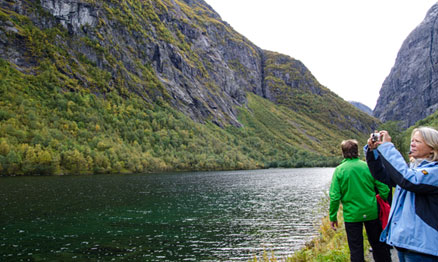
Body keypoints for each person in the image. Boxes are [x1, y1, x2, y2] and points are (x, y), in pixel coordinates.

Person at [365, 127, 438, 261]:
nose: (412, 144)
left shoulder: (434, 172)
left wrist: (387, 147)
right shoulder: (413, 170)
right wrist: (373, 152)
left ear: (432, 147)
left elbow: (407, 179)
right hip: (407, 245)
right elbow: (382, 175)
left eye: (418, 141)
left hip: (424, 249)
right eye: (412, 140)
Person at [330, 139, 392, 262]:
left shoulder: (339, 170)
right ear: (357, 151)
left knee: (356, 249)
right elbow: (384, 188)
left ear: (343, 152)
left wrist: (333, 216)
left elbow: (335, 196)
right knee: (378, 245)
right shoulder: (367, 166)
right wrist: (380, 199)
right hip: (371, 211)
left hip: (352, 215)